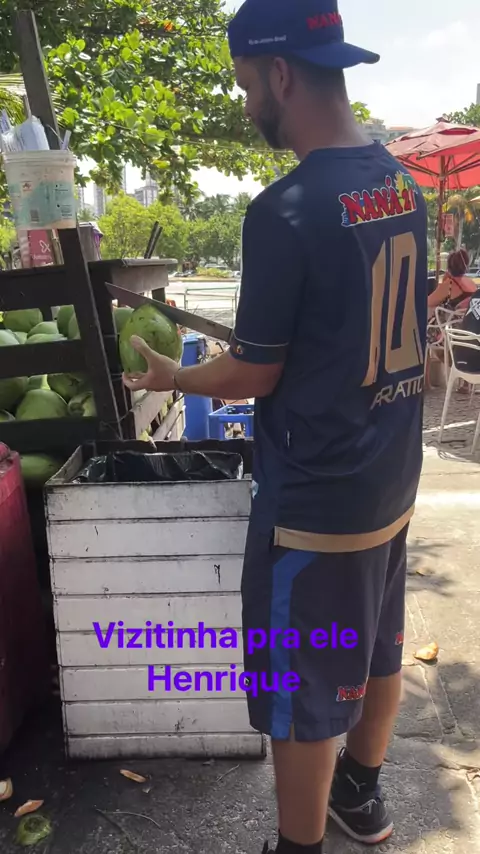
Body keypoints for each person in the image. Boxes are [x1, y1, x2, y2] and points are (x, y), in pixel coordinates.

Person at [123, 1, 428, 851]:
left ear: (280, 74)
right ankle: (360, 793)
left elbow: (253, 372)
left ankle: (298, 846)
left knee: (302, 691)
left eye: (245, 83)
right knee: (376, 646)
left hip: (317, 500)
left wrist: (175, 377)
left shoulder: (284, 208)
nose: (247, 101)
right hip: (391, 476)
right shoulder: (402, 183)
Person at [428, 248, 476, 313]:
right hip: (467, 317)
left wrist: (444, 283)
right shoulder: (471, 282)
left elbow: (428, 302)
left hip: (453, 319)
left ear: (449, 266)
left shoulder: (449, 284)